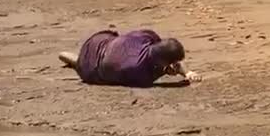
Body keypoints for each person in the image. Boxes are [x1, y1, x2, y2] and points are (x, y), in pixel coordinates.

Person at [60, 28, 199, 87]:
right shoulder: (138, 71)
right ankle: (75, 61)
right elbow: (155, 75)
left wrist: (187, 72)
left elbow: (168, 59)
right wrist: (167, 71)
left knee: (83, 60)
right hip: (90, 69)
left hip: (97, 40)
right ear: (163, 62)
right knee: (83, 65)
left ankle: (74, 59)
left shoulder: (148, 36)